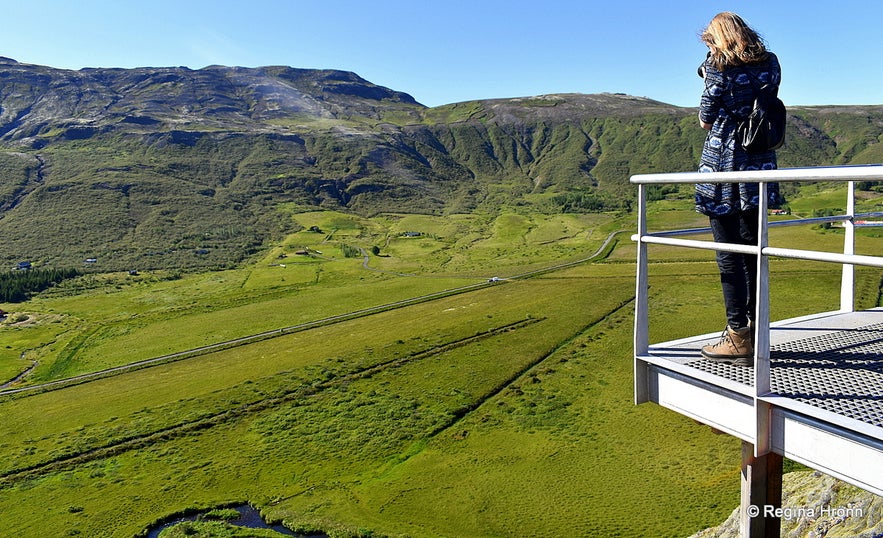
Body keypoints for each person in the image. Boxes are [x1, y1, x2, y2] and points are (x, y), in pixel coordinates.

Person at [695, 12, 782, 366]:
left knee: (728, 256)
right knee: (754, 253)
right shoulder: (771, 62)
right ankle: (759, 334)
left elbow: (706, 117)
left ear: (718, 38)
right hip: (759, 163)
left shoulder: (717, 65)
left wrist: (710, 72)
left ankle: (737, 336)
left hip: (724, 167)